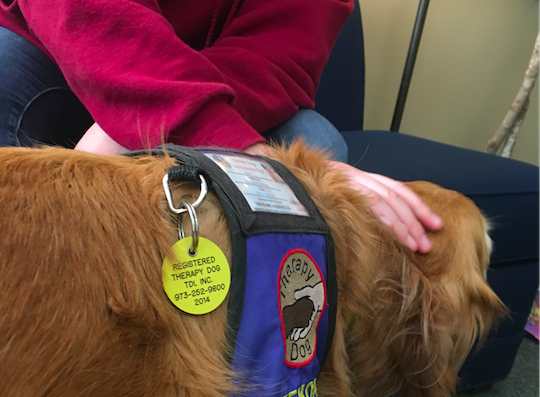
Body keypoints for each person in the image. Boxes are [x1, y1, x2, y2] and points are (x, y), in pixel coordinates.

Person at [0, 0, 442, 252]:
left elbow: (278, 59)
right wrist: (264, 164)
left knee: (318, 141)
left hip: (193, 93)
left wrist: (139, 122)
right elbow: (90, 13)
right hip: (56, 60)